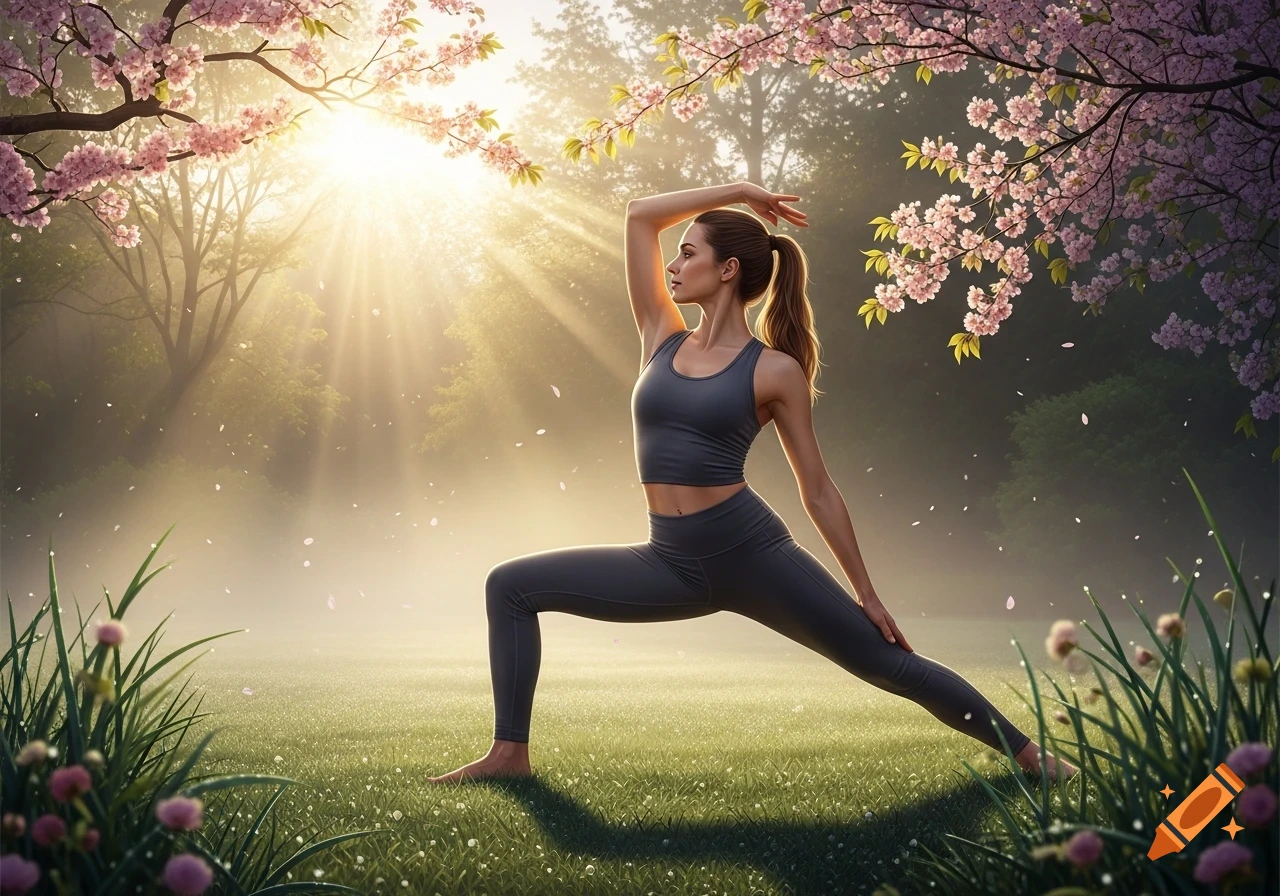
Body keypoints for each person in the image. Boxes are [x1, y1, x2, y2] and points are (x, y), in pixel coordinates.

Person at [428, 181, 1078, 784]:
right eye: (676, 255)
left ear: (727, 268)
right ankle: (510, 753)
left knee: (885, 664)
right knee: (510, 586)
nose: (675, 265)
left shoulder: (774, 371)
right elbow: (638, 216)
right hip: (670, 560)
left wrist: (868, 593)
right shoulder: (660, 335)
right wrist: (738, 192)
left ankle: (1033, 758)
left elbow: (817, 488)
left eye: (689, 254)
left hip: (750, 554)